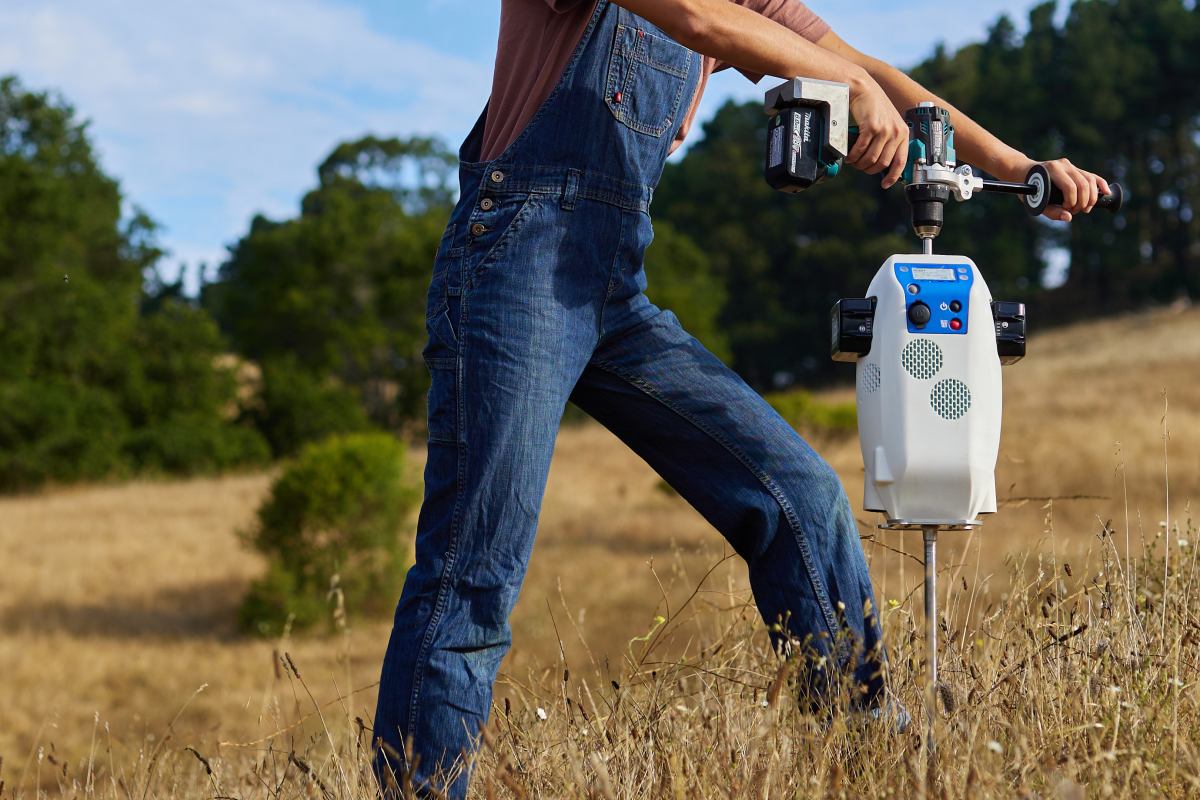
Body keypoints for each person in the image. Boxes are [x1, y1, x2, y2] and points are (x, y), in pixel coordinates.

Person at [372, 0, 1111, 796]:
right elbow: (695, 18)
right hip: (514, 262)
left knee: (799, 497)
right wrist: (844, 81)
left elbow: (883, 80)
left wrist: (1014, 163)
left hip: (613, 288)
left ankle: (866, 766)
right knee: (471, 577)